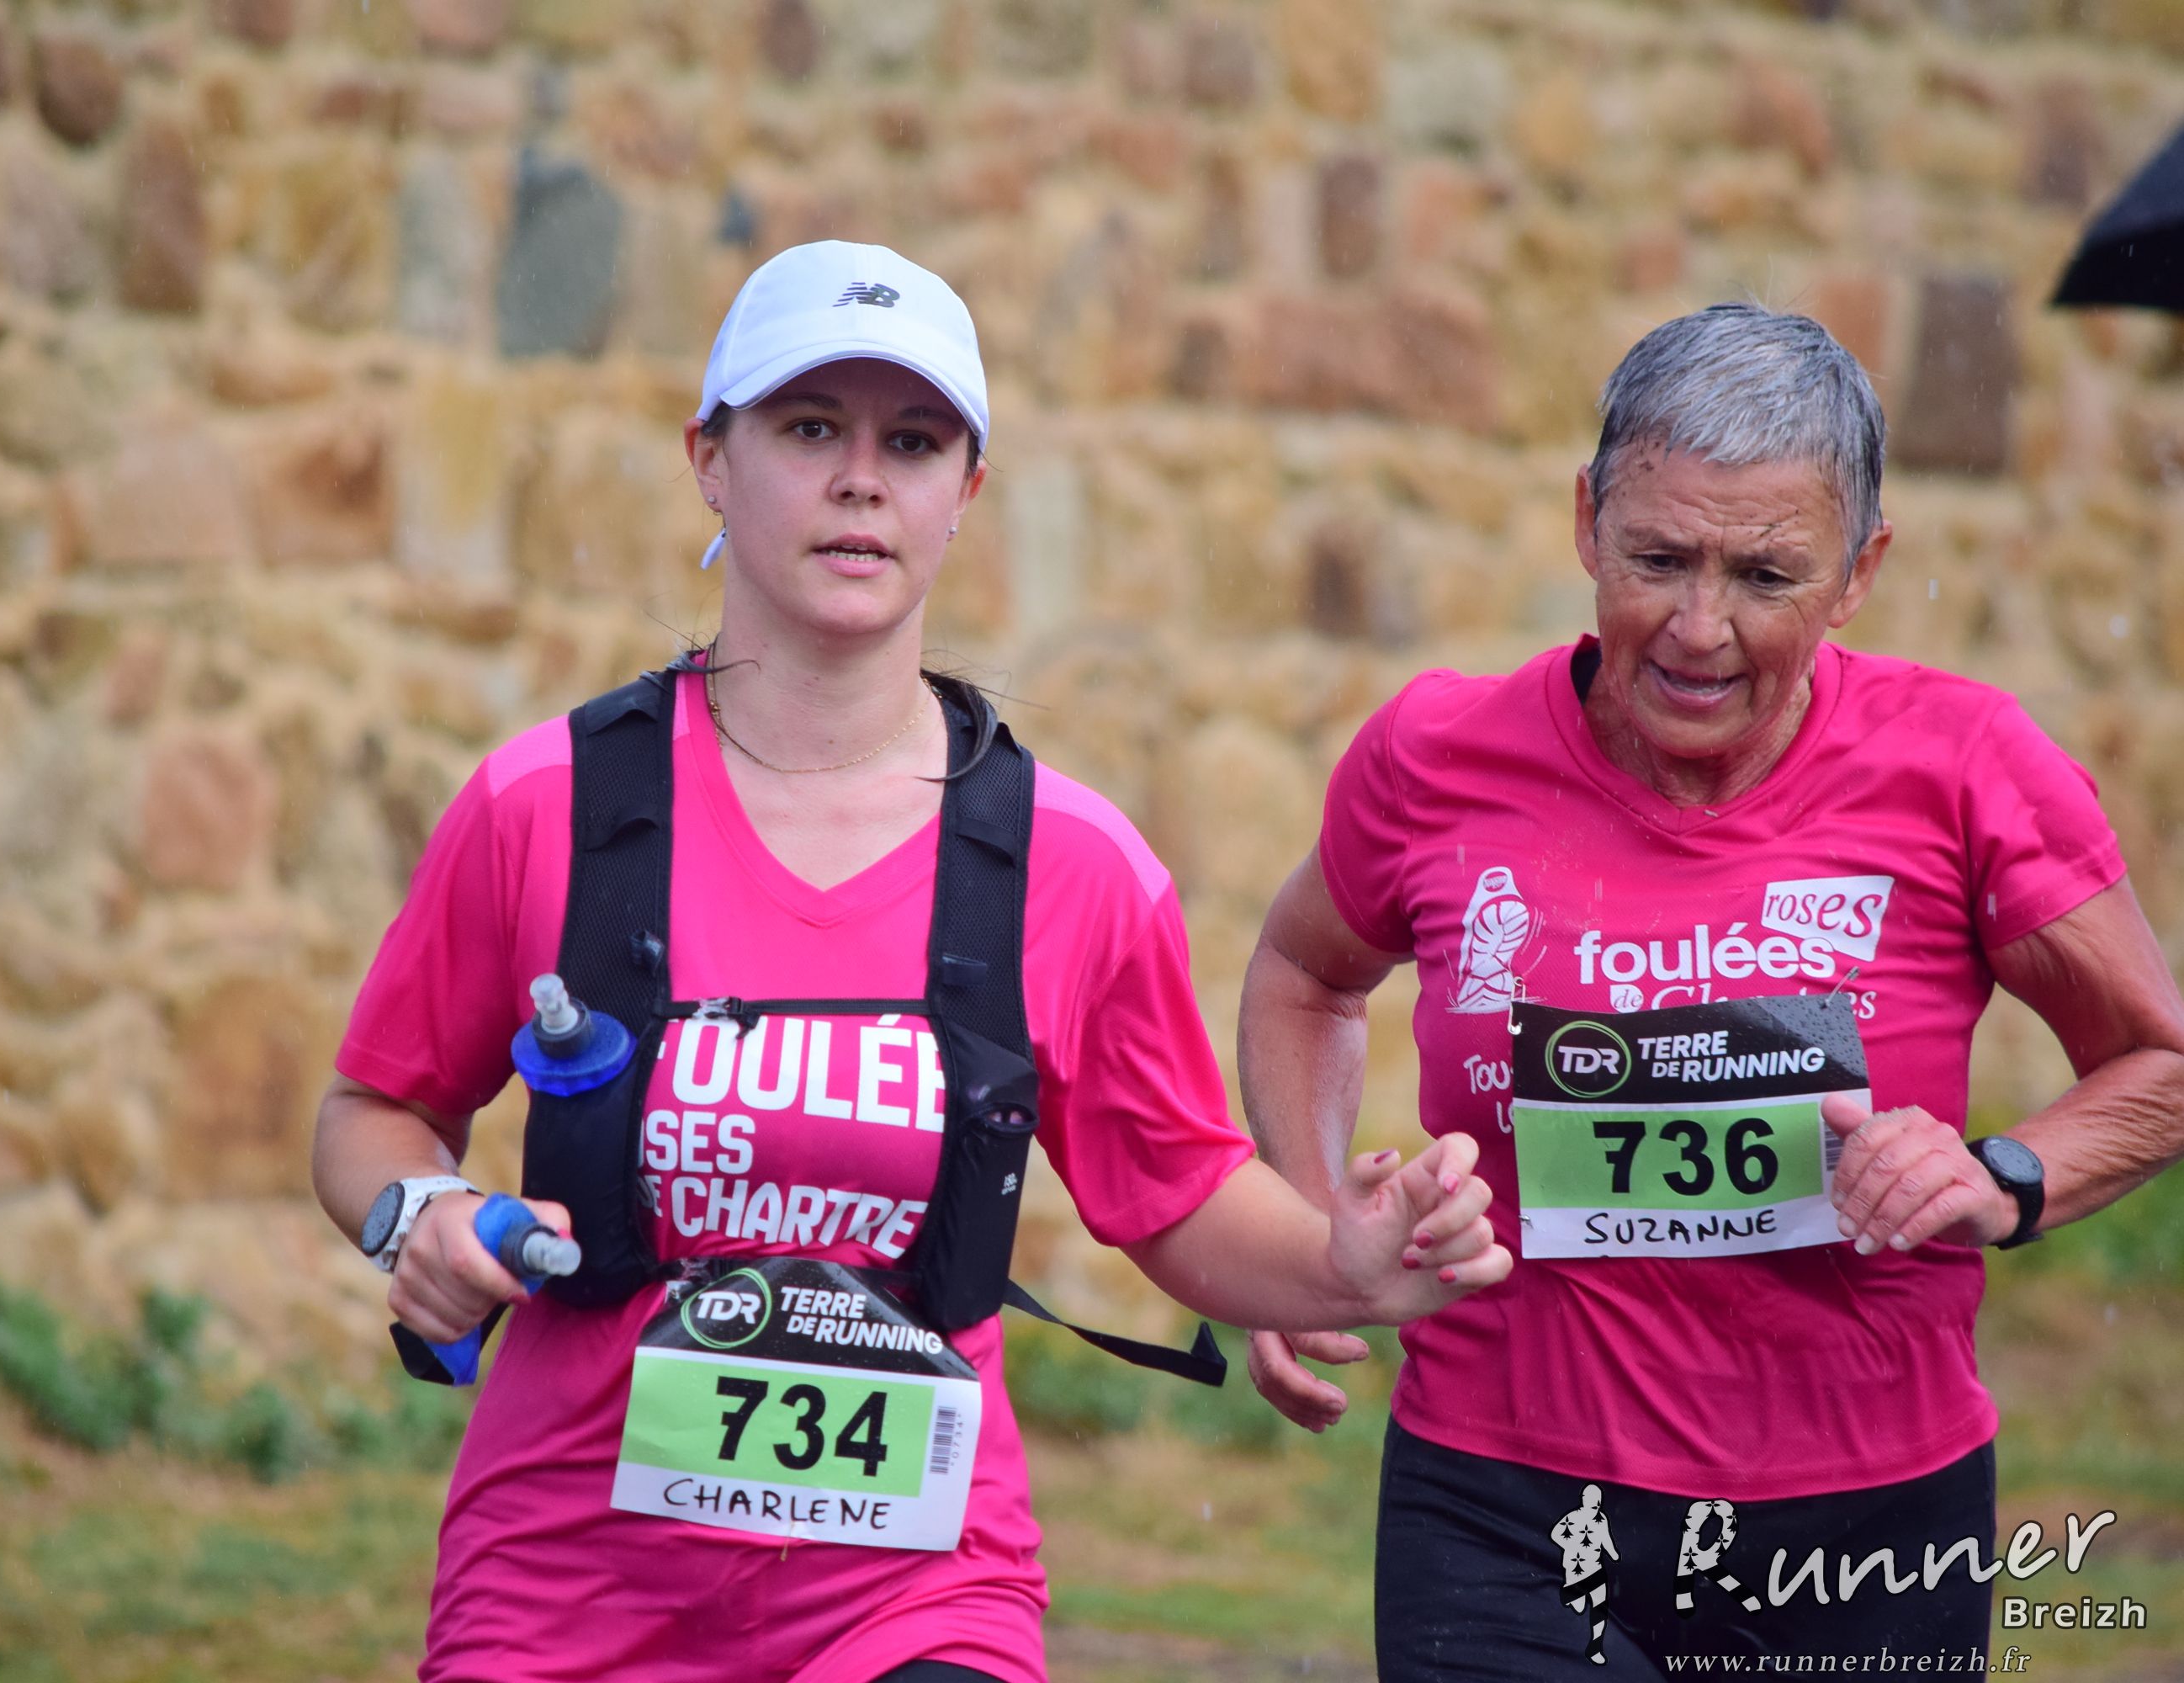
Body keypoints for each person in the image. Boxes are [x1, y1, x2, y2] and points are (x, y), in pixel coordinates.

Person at [311, 240, 1513, 1683]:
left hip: (916, 1602)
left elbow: (1176, 1191)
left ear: (968, 492)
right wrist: (420, 1213)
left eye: (914, 442)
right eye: (811, 427)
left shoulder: (1070, 863)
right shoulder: (543, 808)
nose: (861, 480)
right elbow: (375, 1112)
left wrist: (1345, 1264)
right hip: (563, 1588)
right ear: (710, 460)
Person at [1239, 303, 2184, 1677]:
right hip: (1502, 1506)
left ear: (1859, 572)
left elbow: (2159, 1066)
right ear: (1586, 523)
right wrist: (1304, 1225)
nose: (1699, 628)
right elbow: (1304, 971)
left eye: (1765, 575)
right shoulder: (1438, 755)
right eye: (1659, 559)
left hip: (1864, 1524)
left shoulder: (1966, 767)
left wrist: (2004, 1179)